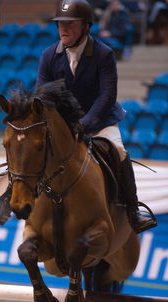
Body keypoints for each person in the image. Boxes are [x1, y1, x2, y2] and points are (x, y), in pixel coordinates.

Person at [36, 0, 157, 234]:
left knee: (119, 151)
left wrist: (85, 124)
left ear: (86, 26)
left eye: (70, 24)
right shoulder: (49, 55)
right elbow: (42, 93)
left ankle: (133, 209)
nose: (63, 29)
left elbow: (107, 96)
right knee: (32, 148)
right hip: (65, 124)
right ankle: (10, 200)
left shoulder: (104, 54)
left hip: (100, 121)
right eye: (60, 24)